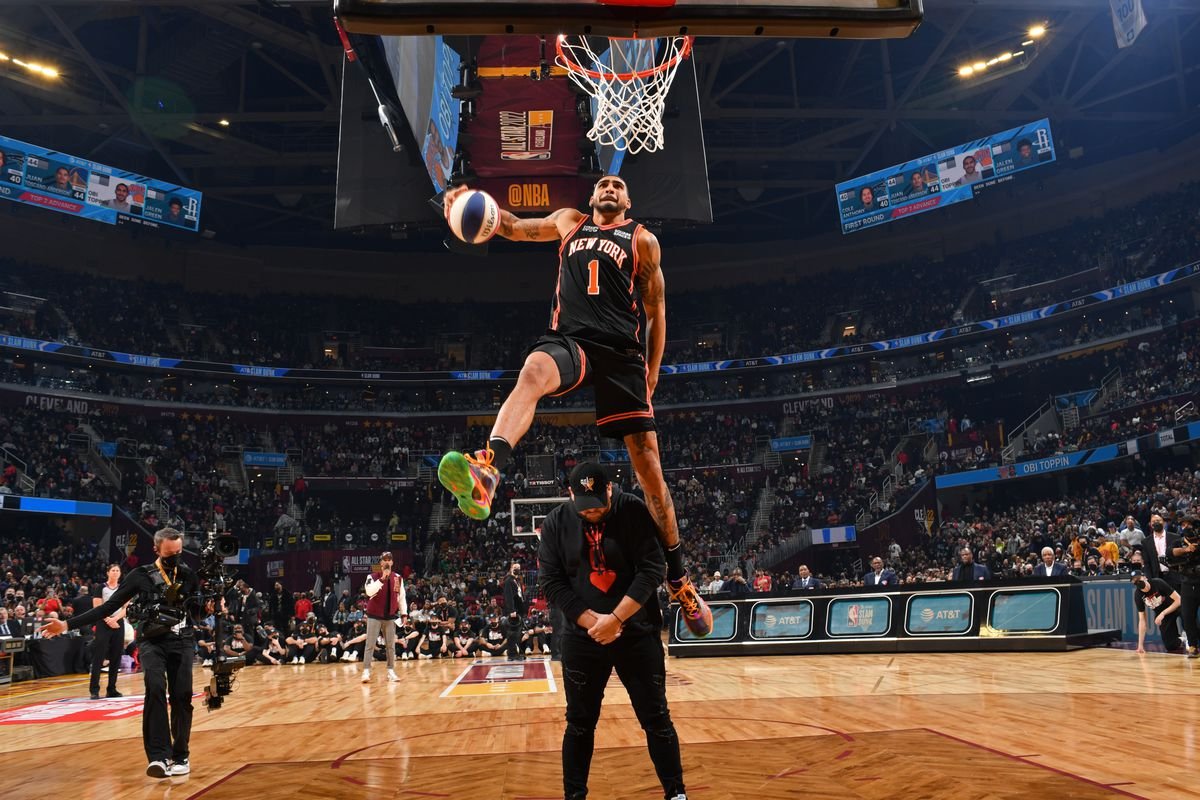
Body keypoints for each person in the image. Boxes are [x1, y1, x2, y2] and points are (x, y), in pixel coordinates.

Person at [437, 176, 712, 638]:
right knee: (531, 373)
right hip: (572, 341)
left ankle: (679, 580)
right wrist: (463, 204)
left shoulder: (643, 240)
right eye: (603, 183)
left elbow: (656, 310)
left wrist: (653, 371)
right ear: (590, 198)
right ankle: (488, 469)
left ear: (628, 199)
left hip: (623, 354)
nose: (609, 186)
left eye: (619, 185)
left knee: (650, 474)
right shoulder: (568, 222)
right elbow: (508, 225)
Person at [538, 462, 687, 800]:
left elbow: (652, 569)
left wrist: (616, 618)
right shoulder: (555, 522)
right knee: (579, 723)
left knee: (656, 718)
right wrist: (592, 621)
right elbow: (552, 581)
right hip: (582, 638)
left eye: (598, 504)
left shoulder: (633, 509)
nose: (591, 512)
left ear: (609, 490)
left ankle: (676, 793)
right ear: (570, 494)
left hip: (636, 633)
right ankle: (574, 796)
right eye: (583, 506)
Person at [39, 527, 199, 778]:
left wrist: (212, 606)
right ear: (156, 550)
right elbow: (108, 608)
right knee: (155, 688)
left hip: (182, 640)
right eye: (169, 555)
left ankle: (181, 756)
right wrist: (66, 624)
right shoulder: (139, 576)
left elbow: (198, 612)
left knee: (182, 698)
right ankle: (159, 757)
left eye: (179, 553)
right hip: (152, 641)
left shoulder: (189, 574)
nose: (175, 559)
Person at [88, 563, 128, 700]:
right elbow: (97, 607)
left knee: (116, 656)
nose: (115, 572)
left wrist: (115, 619)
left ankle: (112, 688)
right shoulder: (101, 588)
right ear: (108, 572)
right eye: (113, 570)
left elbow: (126, 607)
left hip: (118, 622)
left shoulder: (123, 588)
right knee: (99, 656)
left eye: (118, 570)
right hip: (103, 622)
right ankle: (94, 689)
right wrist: (108, 619)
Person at [361, 551, 401, 683]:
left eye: (390, 559)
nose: (387, 562)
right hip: (374, 615)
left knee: (390, 646)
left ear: (392, 562)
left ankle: (391, 671)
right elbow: (369, 591)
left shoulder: (398, 578)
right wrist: (382, 579)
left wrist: (404, 613)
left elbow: (402, 598)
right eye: (385, 559)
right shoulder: (372, 576)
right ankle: (366, 671)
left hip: (390, 616)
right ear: (381, 563)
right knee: (370, 644)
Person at [1132, 571, 1183, 655]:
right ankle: (1181, 639)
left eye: (1138, 579)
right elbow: (1142, 620)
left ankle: (1189, 637)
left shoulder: (1157, 582)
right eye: (1134, 581)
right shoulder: (1138, 595)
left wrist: (1163, 613)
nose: (1137, 582)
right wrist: (1140, 645)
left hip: (1175, 606)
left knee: (1188, 618)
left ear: (1145, 577)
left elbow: (1179, 600)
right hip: (1163, 615)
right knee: (1170, 646)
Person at [503, 561, 529, 661]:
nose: (517, 569)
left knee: (517, 633)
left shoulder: (516, 580)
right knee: (512, 633)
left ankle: (516, 653)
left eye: (518, 567)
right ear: (511, 569)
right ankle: (511, 654)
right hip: (513, 611)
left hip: (519, 610)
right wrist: (511, 610)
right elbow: (508, 596)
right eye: (515, 567)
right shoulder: (508, 580)